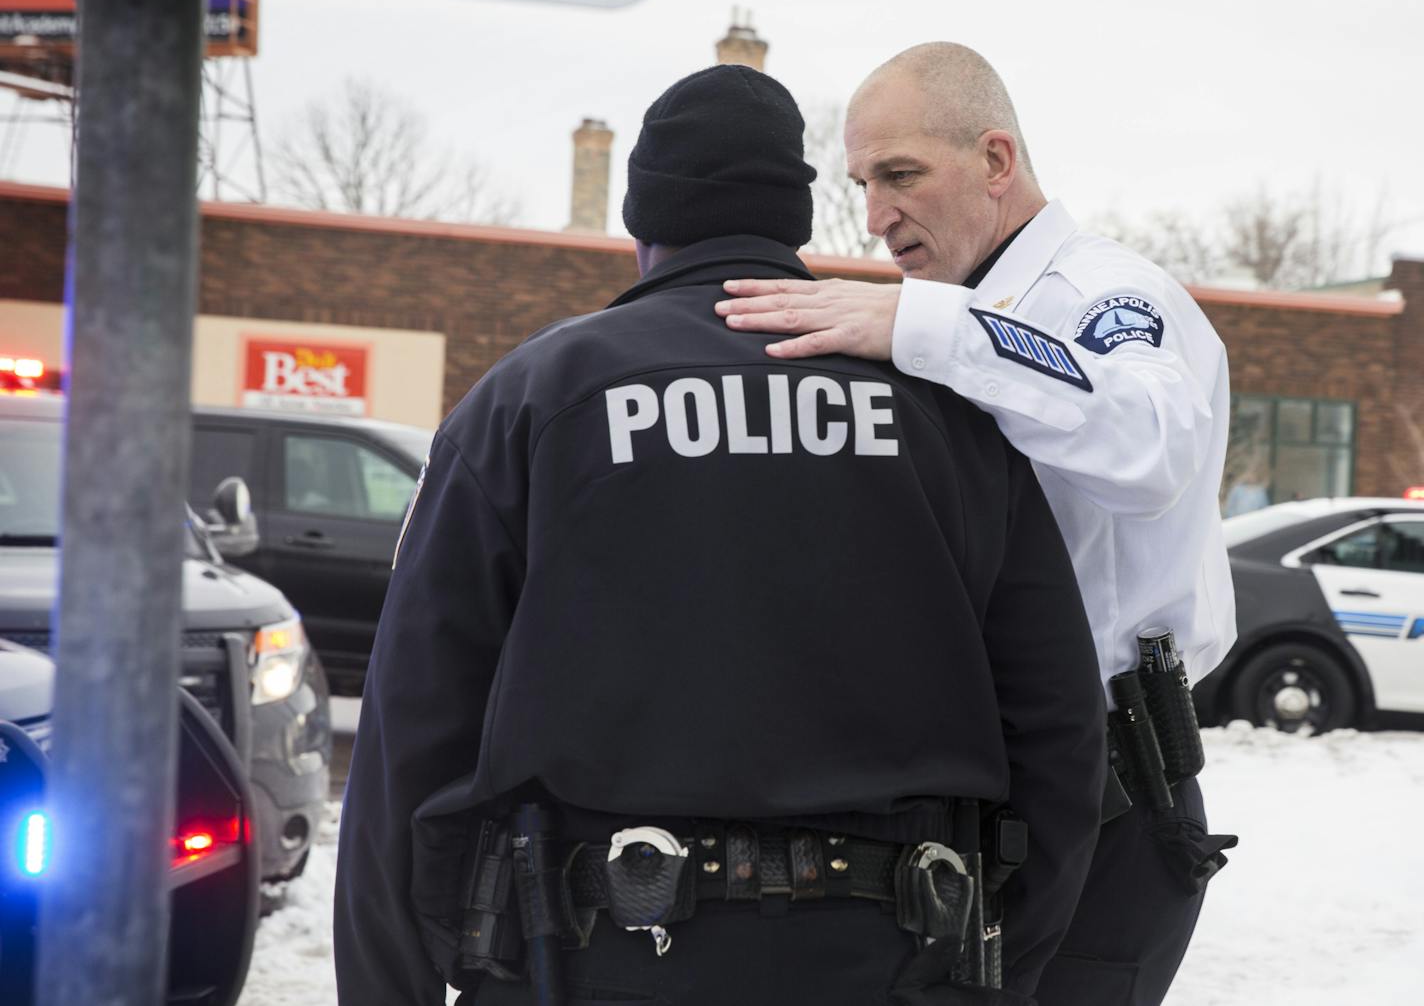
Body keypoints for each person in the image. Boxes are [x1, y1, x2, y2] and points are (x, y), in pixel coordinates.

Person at [333, 63, 1105, 1006]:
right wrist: (1002, 967)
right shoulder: (947, 411)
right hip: (892, 959)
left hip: (589, 959)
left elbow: (413, 719)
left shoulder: (535, 397)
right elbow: (1060, 724)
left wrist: (392, 983)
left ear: (641, 224)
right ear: (795, 215)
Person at [715, 42, 1238, 1006]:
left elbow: (1154, 445)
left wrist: (926, 330)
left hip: (1108, 805)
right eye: (863, 183)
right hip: (978, 793)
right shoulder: (971, 312)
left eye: (901, 175)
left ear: (996, 161)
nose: (876, 216)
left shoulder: (1101, 296)